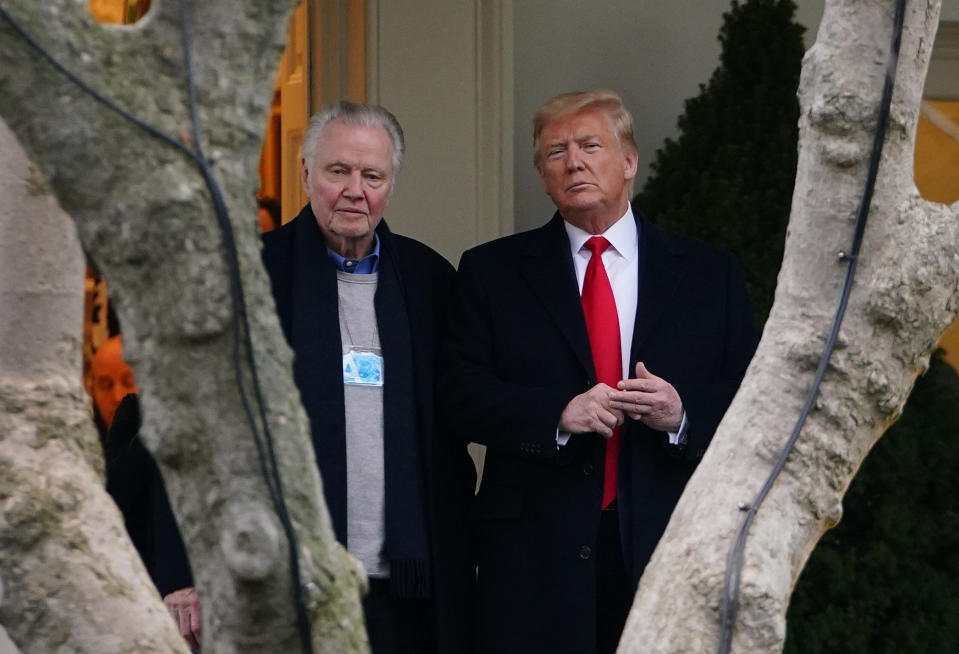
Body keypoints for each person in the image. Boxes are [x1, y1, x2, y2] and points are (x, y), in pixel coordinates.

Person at [442, 89, 758, 654]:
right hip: (534, 551)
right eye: (555, 152)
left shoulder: (711, 274)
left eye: (591, 145)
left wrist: (681, 415)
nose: (574, 162)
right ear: (541, 174)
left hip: (670, 541)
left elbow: (753, 398)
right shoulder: (492, 271)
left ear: (630, 160)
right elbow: (460, 393)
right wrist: (557, 415)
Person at [163, 101, 475, 653]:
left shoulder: (431, 282)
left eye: (372, 175)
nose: (355, 189)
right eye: (339, 171)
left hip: (407, 590)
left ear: (390, 184)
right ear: (305, 174)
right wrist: (183, 566)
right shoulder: (249, 278)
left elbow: (459, 419)